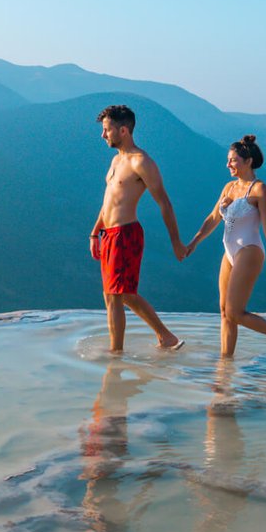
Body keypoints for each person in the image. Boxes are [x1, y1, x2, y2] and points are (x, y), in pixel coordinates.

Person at [184, 135, 266, 359]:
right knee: (224, 312)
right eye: (228, 160)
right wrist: (194, 242)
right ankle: (225, 364)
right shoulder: (228, 187)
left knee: (234, 312)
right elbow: (212, 218)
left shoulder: (259, 189)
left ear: (248, 162)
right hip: (229, 254)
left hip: (250, 250)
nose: (228, 164)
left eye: (233, 160)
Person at [90, 104, 186, 353]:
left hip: (125, 234)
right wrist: (96, 231)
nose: (103, 135)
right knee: (119, 295)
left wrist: (176, 242)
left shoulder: (141, 162)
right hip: (109, 234)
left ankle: (117, 353)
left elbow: (164, 202)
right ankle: (165, 338)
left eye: (107, 130)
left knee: (116, 296)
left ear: (123, 130)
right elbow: (108, 201)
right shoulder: (115, 160)